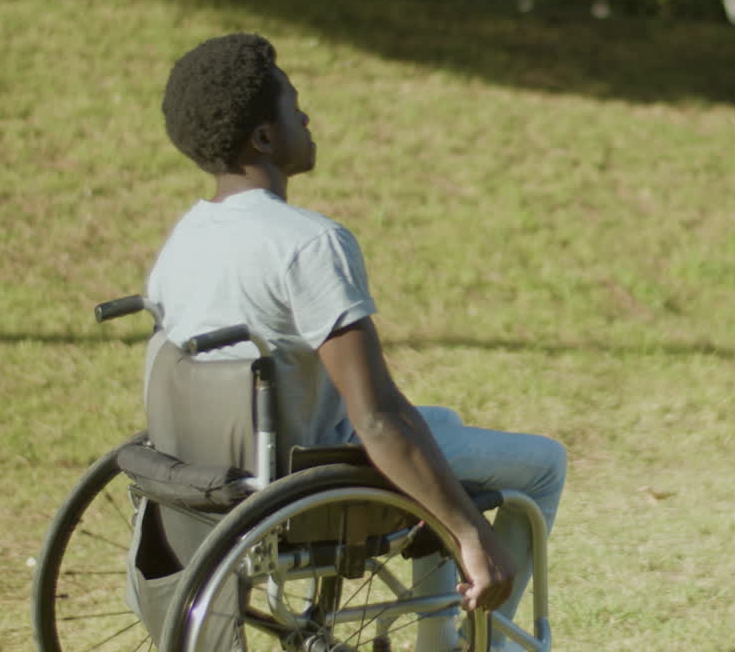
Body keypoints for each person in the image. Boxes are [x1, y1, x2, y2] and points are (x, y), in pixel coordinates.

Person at [141, 32, 566, 651]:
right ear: (263, 136)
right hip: (311, 473)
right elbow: (378, 419)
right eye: (293, 104)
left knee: (439, 424)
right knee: (542, 463)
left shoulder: (184, 241)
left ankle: (440, 636)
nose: (306, 116)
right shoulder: (308, 243)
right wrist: (472, 533)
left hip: (218, 471)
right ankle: (477, 644)